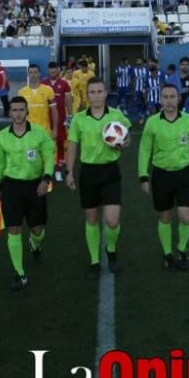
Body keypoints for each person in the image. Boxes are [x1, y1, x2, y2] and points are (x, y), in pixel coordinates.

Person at [137, 84, 189, 271]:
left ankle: (182, 248)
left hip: (184, 174)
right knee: (165, 217)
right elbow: (144, 150)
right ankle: (167, 253)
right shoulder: (152, 122)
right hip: (161, 175)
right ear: (161, 99)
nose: (169, 100)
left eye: (172, 96)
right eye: (165, 97)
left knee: (185, 217)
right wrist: (143, 176)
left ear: (179, 99)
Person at [65, 78, 131, 277]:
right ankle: (94, 261)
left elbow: (128, 136)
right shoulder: (79, 118)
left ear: (105, 93)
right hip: (88, 173)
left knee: (112, 221)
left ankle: (111, 250)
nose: (95, 95)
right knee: (92, 219)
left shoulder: (116, 115)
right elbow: (73, 147)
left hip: (111, 171)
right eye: (91, 92)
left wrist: (125, 142)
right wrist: (69, 172)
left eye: (99, 91)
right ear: (87, 94)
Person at [0, 96, 55, 291]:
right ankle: (20, 273)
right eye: (14, 110)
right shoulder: (2, 136)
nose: (18, 113)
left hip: (35, 186)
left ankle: (35, 244)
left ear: (27, 112)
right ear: (10, 112)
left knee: (37, 230)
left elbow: (49, 156)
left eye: (21, 110)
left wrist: (46, 178)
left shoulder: (39, 133)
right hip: (11, 187)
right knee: (13, 229)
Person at [41, 62, 72, 181]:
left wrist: (70, 117)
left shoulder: (64, 84)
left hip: (60, 119)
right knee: (45, 144)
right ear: (48, 71)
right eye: (50, 72)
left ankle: (58, 169)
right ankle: (47, 168)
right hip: (45, 119)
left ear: (58, 71)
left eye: (54, 72)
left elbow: (69, 101)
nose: (52, 74)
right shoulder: (43, 83)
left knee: (60, 143)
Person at [17, 64, 58, 141]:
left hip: (45, 131)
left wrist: (55, 129)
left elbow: (54, 111)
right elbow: (19, 113)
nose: (33, 75)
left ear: (39, 74)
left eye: (35, 72)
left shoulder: (48, 90)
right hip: (28, 132)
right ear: (28, 74)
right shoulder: (21, 92)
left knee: (46, 153)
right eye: (31, 72)